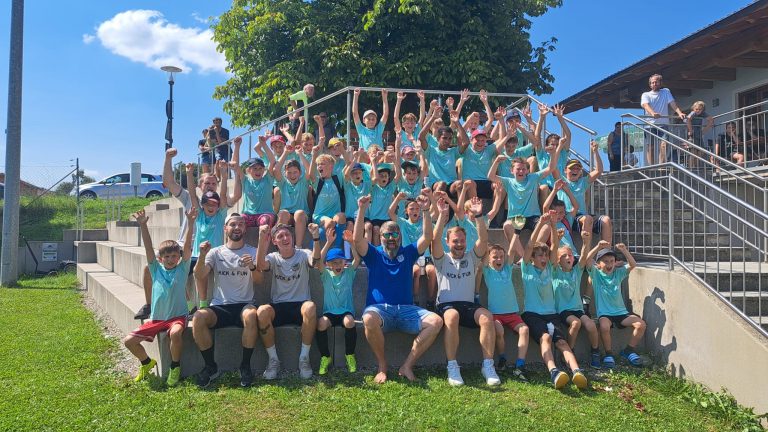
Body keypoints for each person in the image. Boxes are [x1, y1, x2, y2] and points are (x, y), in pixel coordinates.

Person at [353, 193, 443, 383]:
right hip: (380, 311)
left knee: (436, 321)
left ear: (400, 236)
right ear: (380, 237)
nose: (391, 238)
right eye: (387, 234)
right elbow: (357, 240)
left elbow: (427, 237)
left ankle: (407, 366)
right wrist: (361, 209)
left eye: (395, 234)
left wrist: (426, 210)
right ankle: (382, 366)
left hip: (406, 310)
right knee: (368, 318)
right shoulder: (374, 254)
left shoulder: (408, 252)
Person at [431, 196, 501, 386]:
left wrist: (478, 216)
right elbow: (434, 240)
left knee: (486, 317)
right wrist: (442, 216)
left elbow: (483, 240)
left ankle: (488, 365)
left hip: (468, 305)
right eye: (455, 241)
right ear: (448, 242)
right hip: (446, 305)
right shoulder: (441, 259)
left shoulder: (471, 257)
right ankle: (452, 366)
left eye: (462, 241)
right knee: (452, 316)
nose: (459, 244)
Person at [123, 207, 195, 386]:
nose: (170, 259)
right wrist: (143, 226)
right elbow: (148, 248)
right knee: (129, 342)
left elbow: (187, 247)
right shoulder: (155, 269)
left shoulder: (182, 269)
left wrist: (191, 222)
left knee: (176, 333)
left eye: (174, 256)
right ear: (161, 258)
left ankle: (175, 367)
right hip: (157, 319)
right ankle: (146, 363)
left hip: (177, 317)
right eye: (167, 256)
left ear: (179, 257)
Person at [191, 213, 263, 388]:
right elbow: (199, 275)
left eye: (240, 224)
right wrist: (202, 255)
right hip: (220, 306)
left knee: (251, 315)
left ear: (245, 229)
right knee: (198, 317)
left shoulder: (253, 251)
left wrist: (252, 267)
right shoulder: (215, 252)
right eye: (233, 224)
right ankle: (210, 366)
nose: (237, 227)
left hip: (244, 304)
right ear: (225, 228)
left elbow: (259, 280)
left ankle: (245, 366)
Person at [520, 213, 588, 390]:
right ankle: (554, 372)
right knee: (545, 338)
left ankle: (577, 371)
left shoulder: (550, 268)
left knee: (562, 343)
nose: (543, 258)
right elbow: (529, 245)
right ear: (532, 258)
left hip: (552, 314)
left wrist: (552, 224)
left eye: (545, 255)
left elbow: (555, 246)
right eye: (539, 256)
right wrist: (540, 224)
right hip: (532, 314)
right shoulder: (526, 268)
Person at [254, 223, 321, 380]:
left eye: (287, 235)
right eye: (280, 236)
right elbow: (260, 265)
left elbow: (315, 262)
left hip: (300, 304)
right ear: (274, 241)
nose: (285, 238)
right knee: (262, 311)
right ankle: (273, 360)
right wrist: (261, 238)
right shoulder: (273, 257)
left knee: (311, 307)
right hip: (279, 306)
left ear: (292, 237)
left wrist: (316, 237)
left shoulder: (303, 254)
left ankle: (304, 358)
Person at [583, 241, 646, 368]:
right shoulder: (596, 274)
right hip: (605, 313)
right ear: (598, 264)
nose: (609, 264)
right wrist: (598, 246)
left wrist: (624, 250)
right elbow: (587, 259)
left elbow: (633, 264)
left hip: (621, 312)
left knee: (641, 325)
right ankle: (608, 354)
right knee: (604, 326)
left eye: (612, 261)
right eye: (605, 261)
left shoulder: (618, 273)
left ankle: (628, 350)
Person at [482, 237, 529, 382]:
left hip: (512, 314)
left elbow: (512, 249)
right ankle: (502, 359)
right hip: (496, 314)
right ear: (489, 259)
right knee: (499, 331)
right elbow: (483, 255)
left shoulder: (508, 269)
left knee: (524, 330)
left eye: (501, 256)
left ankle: (520, 364)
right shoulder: (487, 271)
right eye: (495, 257)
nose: (499, 259)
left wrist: (516, 232)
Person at [315, 227, 361, 375]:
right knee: (321, 323)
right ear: (329, 264)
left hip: (345, 312)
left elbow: (357, 259)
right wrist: (328, 242)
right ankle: (325, 357)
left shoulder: (349, 273)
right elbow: (318, 260)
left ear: (344, 262)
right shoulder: (326, 275)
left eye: (340, 262)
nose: (337, 265)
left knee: (349, 322)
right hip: (330, 313)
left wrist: (351, 243)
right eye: (334, 263)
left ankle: (350, 355)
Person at [552, 228, 601, 368]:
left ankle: (595, 352)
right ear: (558, 260)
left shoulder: (576, 272)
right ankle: (569, 352)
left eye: (570, 255)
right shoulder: (555, 272)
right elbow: (552, 254)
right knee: (575, 323)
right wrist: (557, 239)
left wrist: (586, 242)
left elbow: (584, 257)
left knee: (591, 325)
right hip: (563, 310)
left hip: (578, 309)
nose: (568, 257)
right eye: (564, 256)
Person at [553, 141, 613, 243]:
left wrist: (595, 151)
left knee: (606, 220)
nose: (575, 170)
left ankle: (606, 251)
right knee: (587, 218)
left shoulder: (583, 182)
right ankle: (587, 251)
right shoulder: (561, 180)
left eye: (578, 168)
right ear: (565, 170)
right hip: (567, 215)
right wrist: (558, 148)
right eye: (572, 168)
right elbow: (553, 167)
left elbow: (599, 171)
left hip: (582, 216)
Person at [388, 191, 437, 310]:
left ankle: (431, 301)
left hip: (425, 256)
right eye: (411, 209)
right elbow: (390, 212)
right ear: (406, 211)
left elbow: (435, 212)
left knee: (432, 271)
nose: (415, 211)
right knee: (415, 271)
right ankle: (415, 300)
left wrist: (430, 197)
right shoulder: (402, 223)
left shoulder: (424, 220)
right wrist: (398, 198)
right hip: (410, 257)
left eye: (417, 208)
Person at [272, 142, 313, 247]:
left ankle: (298, 247)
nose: (292, 175)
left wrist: (300, 154)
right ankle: (281, 246)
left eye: (295, 172)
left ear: (300, 173)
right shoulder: (283, 183)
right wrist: (285, 152)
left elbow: (309, 169)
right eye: (289, 172)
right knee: (283, 213)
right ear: (285, 174)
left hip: (302, 216)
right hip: (287, 216)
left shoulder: (303, 182)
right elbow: (276, 170)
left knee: (299, 213)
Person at [640, 74, 686, 165]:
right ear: (650, 84)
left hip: (663, 124)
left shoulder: (666, 91)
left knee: (664, 145)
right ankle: (652, 167)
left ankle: (662, 165)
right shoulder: (646, 94)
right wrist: (653, 113)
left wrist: (679, 113)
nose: (654, 84)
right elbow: (645, 105)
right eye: (652, 83)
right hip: (650, 125)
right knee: (651, 147)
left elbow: (672, 103)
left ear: (660, 83)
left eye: (656, 82)